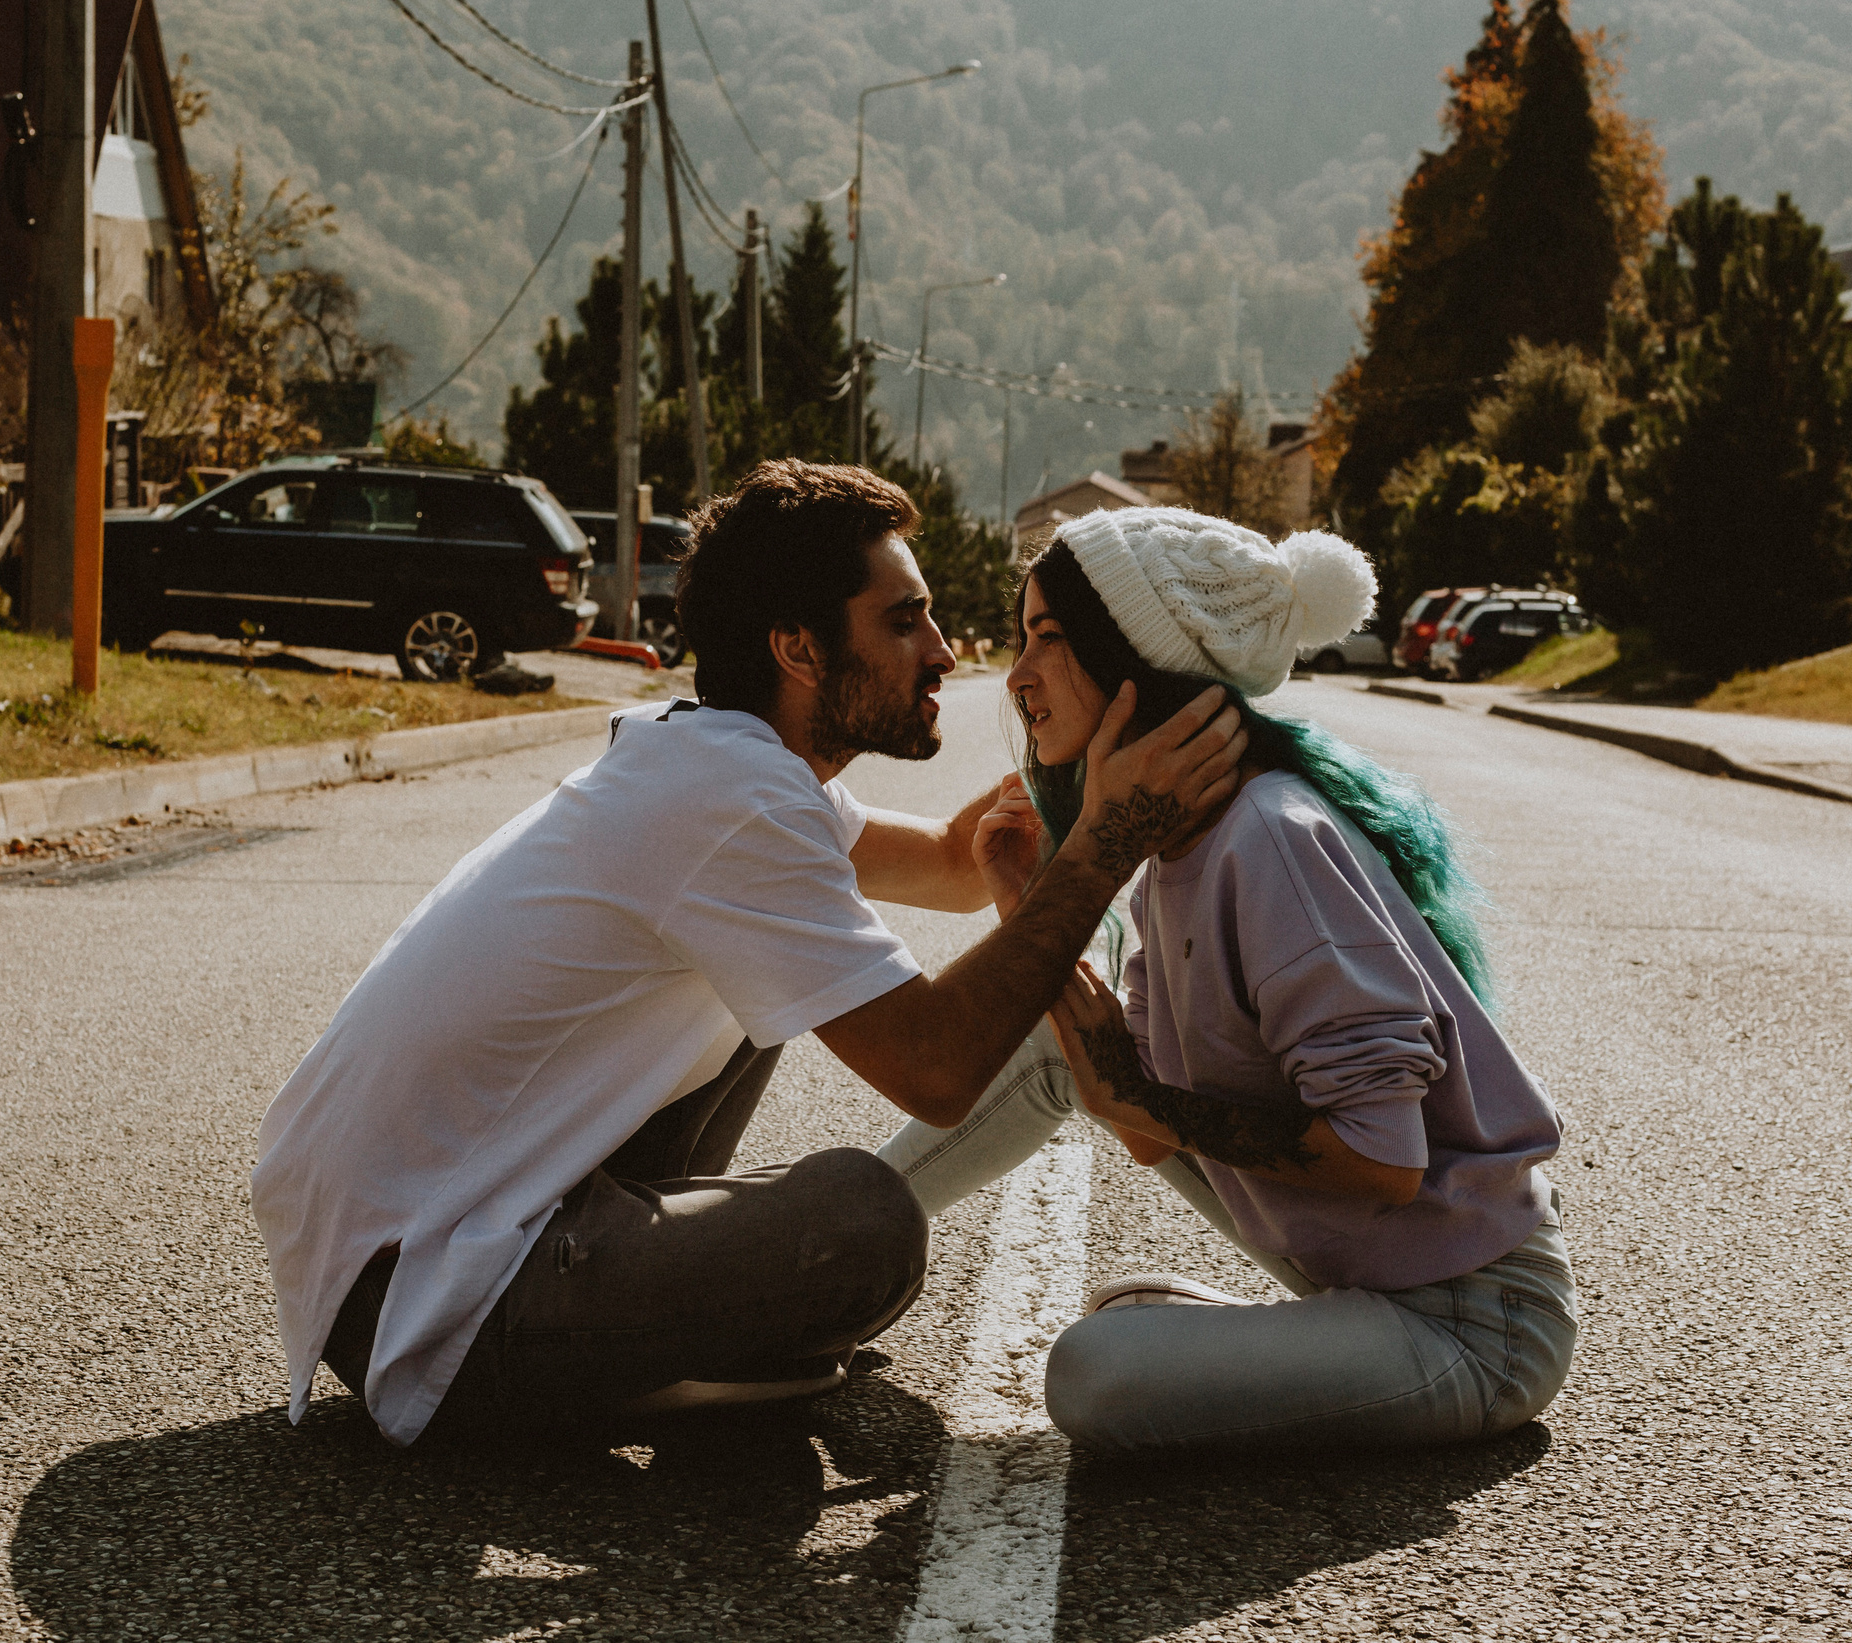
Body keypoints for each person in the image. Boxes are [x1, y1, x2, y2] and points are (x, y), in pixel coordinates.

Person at [251, 461, 1248, 1447]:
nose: (942, 652)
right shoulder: (733, 805)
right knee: (868, 1224)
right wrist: (1109, 841)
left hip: (400, 1248)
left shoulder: (714, 760)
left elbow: (953, 864)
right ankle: (640, 1380)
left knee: (781, 985)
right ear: (799, 650)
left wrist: (1078, 756)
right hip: (437, 1302)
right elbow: (935, 1071)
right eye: (903, 621)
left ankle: (675, 1343)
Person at [878, 505, 1575, 1457]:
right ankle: (824, 1248)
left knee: (1093, 1371)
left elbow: (1384, 1159)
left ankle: (1238, 1344)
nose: (1018, 676)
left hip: (1473, 1324)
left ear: (1136, 662)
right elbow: (1135, 1120)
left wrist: (1134, 1090)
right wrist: (1022, 906)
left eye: (1048, 640)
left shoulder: (1270, 838)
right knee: (1060, 1046)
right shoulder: (1180, 849)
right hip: (1371, 1274)